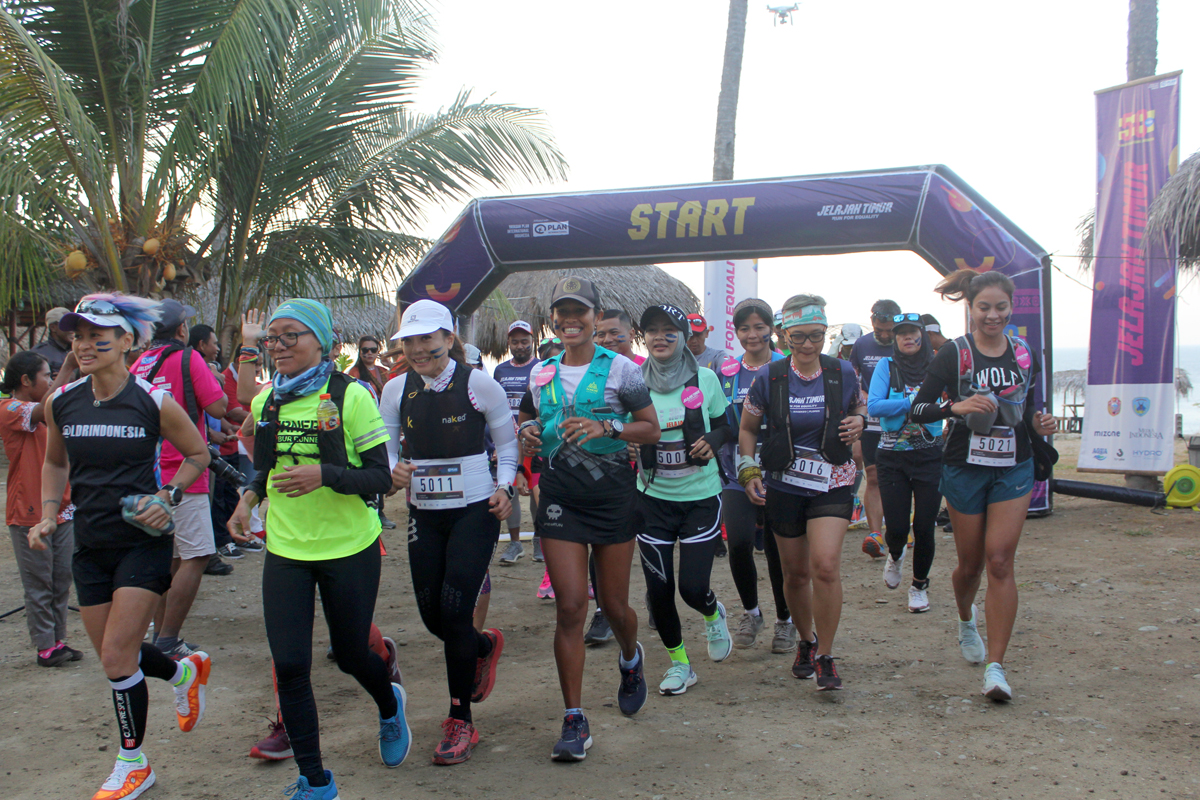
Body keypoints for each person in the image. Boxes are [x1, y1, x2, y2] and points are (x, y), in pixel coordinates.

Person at [31, 293, 214, 800]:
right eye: (79, 336)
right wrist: (49, 515)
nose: (85, 345)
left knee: (116, 659)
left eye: (97, 336)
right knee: (123, 659)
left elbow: (197, 454)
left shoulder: (153, 401)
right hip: (89, 545)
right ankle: (182, 670)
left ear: (127, 341)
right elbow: (54, 463)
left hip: (143, 543)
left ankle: (133, 764)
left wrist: (168, 496)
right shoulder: (61, 400)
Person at [227, 300, 408, 799]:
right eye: (273, 338)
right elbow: (262, 470)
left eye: (292, 337)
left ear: (324, 344)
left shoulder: (351, 398)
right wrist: (247, 500)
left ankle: (390, 705)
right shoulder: (269, 402)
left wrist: (325, 474)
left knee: (351, 655)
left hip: (349, 546)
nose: (279, 347)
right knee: (289, 665)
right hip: (286, 548)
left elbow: (379, 478)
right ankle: (316, 781)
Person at [516, 276, 660, 761]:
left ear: (596, 318)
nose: (571, 320)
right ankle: (574, 720)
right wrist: (531, 435)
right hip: (560, 498)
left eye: (580, 311)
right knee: (571, 606)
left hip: (613, 497)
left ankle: (630, 657)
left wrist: (608, 426)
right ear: (553, 321)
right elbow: (530, 422)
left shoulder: (623, 369)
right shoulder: (541, 373)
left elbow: (651, 429)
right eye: (563, 312)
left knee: (615, 608)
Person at [910, 270, 1056, 702]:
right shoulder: (954, 355)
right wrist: (956, 406)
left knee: (1000, 562)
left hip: (1014, 466)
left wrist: (1040, 423)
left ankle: (996, 669)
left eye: (1001, 307)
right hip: (963, 467)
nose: (993, 316)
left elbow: (1027, 408)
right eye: (984, 307)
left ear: (1011, 308)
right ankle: (964, 619)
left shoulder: (1025, 354)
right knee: (970, 566)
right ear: (970, 308)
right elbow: (917, 408)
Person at [383, 300, 516, 765]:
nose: (419, 350)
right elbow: (387, 443)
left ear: (449, 338)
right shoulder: (396, 388)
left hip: (474, 510)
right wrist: (391, 472)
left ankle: (461, 720)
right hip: (425, 511)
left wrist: (505, 488)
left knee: (456, 610)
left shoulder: (478, 382)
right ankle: (483, 646)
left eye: (428, 340)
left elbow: (507, 442)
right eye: (410, 341)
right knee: (432, 616)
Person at [737, 294, 864, 691]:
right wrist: (748, 470)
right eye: (799, 337)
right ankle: (806, 641)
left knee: (824, 566)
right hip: (784, 483)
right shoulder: (769, 377)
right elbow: (747, 430)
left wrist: (859, 422)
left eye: (817, 336)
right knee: (794, 573)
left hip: (833, 479)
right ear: (784, 334)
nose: (809, 345)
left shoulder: (842, 372)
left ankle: (826, 654)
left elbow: (860, 410)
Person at [634, 304, 734, 695]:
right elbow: (622, 428)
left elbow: (727, 425)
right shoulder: (633, 382)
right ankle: (680, 664)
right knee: (658, 591)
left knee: (692, 588)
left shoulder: (705, 378)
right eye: (652, 331)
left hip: (700, 498)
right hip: (652, 500)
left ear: (682, 337)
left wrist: (712, 440)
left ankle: (712, 611)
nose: (660, 337)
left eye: (669, 331)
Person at [130, 300, 230, 658]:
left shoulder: (139, 363)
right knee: (199, 554)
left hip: (148, 471)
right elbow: (218, 407)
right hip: (186, 471)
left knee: (169, 558)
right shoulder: (189, 359)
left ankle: (161, 636)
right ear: (182, 331)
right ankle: (169, 639)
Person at [715, 299, 794, 653]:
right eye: (745, 328)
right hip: (736, 471)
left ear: (772, 328)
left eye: (759, 326)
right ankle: (751, 612)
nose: (753, 334)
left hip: (782, 473)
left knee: (779, 549)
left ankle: (785, 620)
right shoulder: (728, 372)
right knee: (741, 542)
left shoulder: (788, 367)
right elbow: (717, 419)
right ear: (737, 333)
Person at [2, 350, 80, 667]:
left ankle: (57, 640)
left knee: (61, 579)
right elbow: (47, 406)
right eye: (46, 375)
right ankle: (45, 645)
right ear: (25, 381)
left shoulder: (46, 411)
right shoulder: (9, 409)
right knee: (39, 584)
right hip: (27, 512)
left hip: (60, 507)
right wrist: (70, 367)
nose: (50, 380)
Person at [867, 314, 943, 613]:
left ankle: (919, 585)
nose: (907, 339)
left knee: (924, 526)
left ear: (922, 336)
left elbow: (949, 404)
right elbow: (874, 406)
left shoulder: (937, 366)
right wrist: (915, 403)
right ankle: (895, 554)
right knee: (898, 527)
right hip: (892, 458)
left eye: (913, 333)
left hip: (930, 456)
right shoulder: (886, 366)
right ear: (895, 340)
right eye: (901, 335)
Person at [851, 298, 899, 559]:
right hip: (870, 418)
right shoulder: (861, 344)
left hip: (901, 417)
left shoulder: (908, 340)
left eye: (888, 331)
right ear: (872, 321)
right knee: (873, 473)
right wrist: (863, 397)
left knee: (900, 474)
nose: (883, 335)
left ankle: (899, 530)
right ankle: (875, 535)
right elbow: (852, 377)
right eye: (879, 329)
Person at [493, 320, 541, 565]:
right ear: (509, 343)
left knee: (535, 489)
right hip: (507, 440)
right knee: (509, 488)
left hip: (533, 439)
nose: (520, 346)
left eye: (525, 341)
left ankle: (538, 540)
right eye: (515, 342)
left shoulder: (542, 367)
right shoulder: (500, 371)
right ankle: (514, 544)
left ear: (533, 341)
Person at [31, 306, 74, 378]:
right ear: (53, 327)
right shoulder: (38, 353)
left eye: (73, 324)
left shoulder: (79, 350)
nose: (72, 328)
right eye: (67, 324)